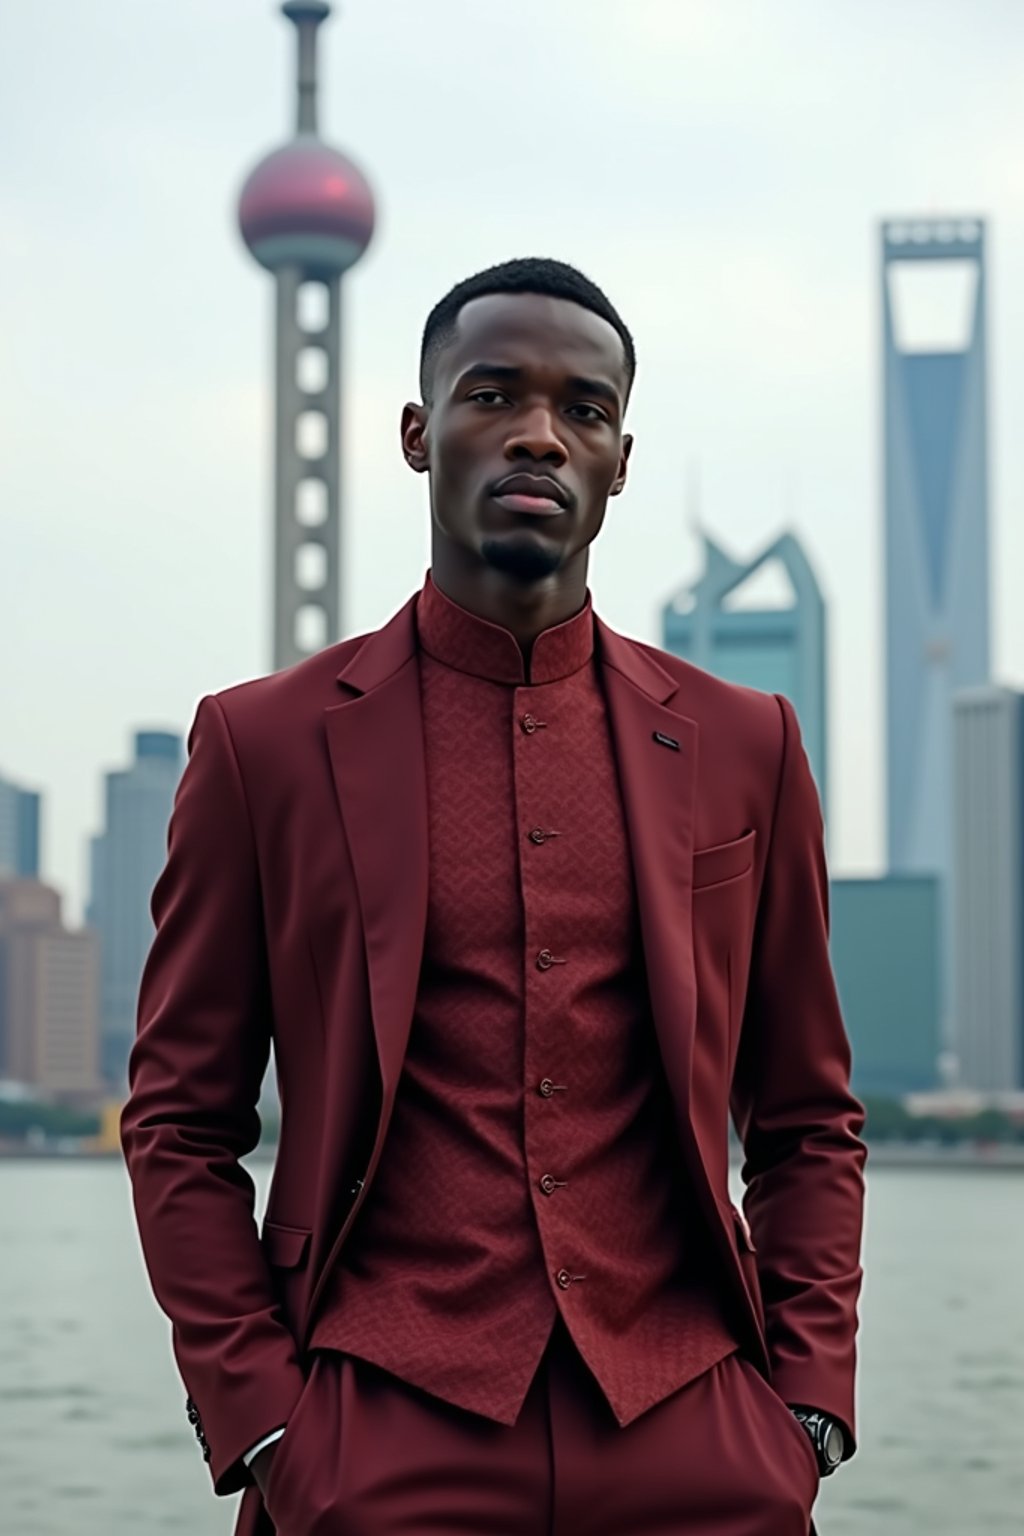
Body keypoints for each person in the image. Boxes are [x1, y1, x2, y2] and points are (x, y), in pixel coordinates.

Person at [122, 257, 866, 1536]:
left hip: (700, 1442)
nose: (539, 432)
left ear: (620, 460)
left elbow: (804, 1114)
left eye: (583, 409)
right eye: (493, 394)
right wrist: (265, 1420)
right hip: (371, 1445)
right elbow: (180, 1121)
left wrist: (804, 1403)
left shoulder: (750, 743)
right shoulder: (264, 746)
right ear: (419, 435)